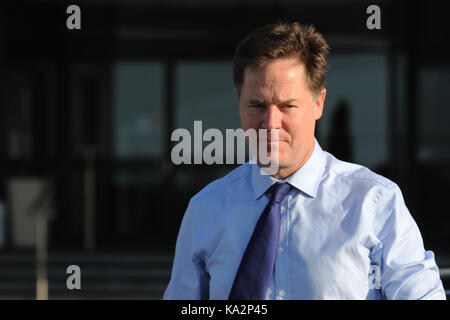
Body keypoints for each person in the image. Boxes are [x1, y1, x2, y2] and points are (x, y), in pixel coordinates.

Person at [163, 22, 446, 300]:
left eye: (287, 106)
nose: (271, 123)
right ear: (239, 101)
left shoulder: (375, 203)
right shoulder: (205, 210)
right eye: (257, 105)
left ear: (318, 104)